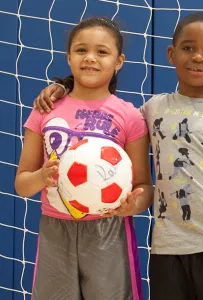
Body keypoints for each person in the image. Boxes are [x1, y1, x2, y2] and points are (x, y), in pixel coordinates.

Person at [32, 13, 203, 300]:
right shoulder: (153, 110)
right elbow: (105, 113)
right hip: (166, 253)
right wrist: (64, 88)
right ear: (171, 54)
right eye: (188, 48)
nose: (198, 57)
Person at [15, 17, 153, 300]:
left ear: (119, 61)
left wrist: (131, 206)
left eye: (102, 52)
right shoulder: (45, 110)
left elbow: (144, 187)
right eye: (81, 50)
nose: (90, 58)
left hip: (108, 231)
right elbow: (21, 184)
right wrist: (42, 177)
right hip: (55, 228)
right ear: (68, 57)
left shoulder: (130, 116)